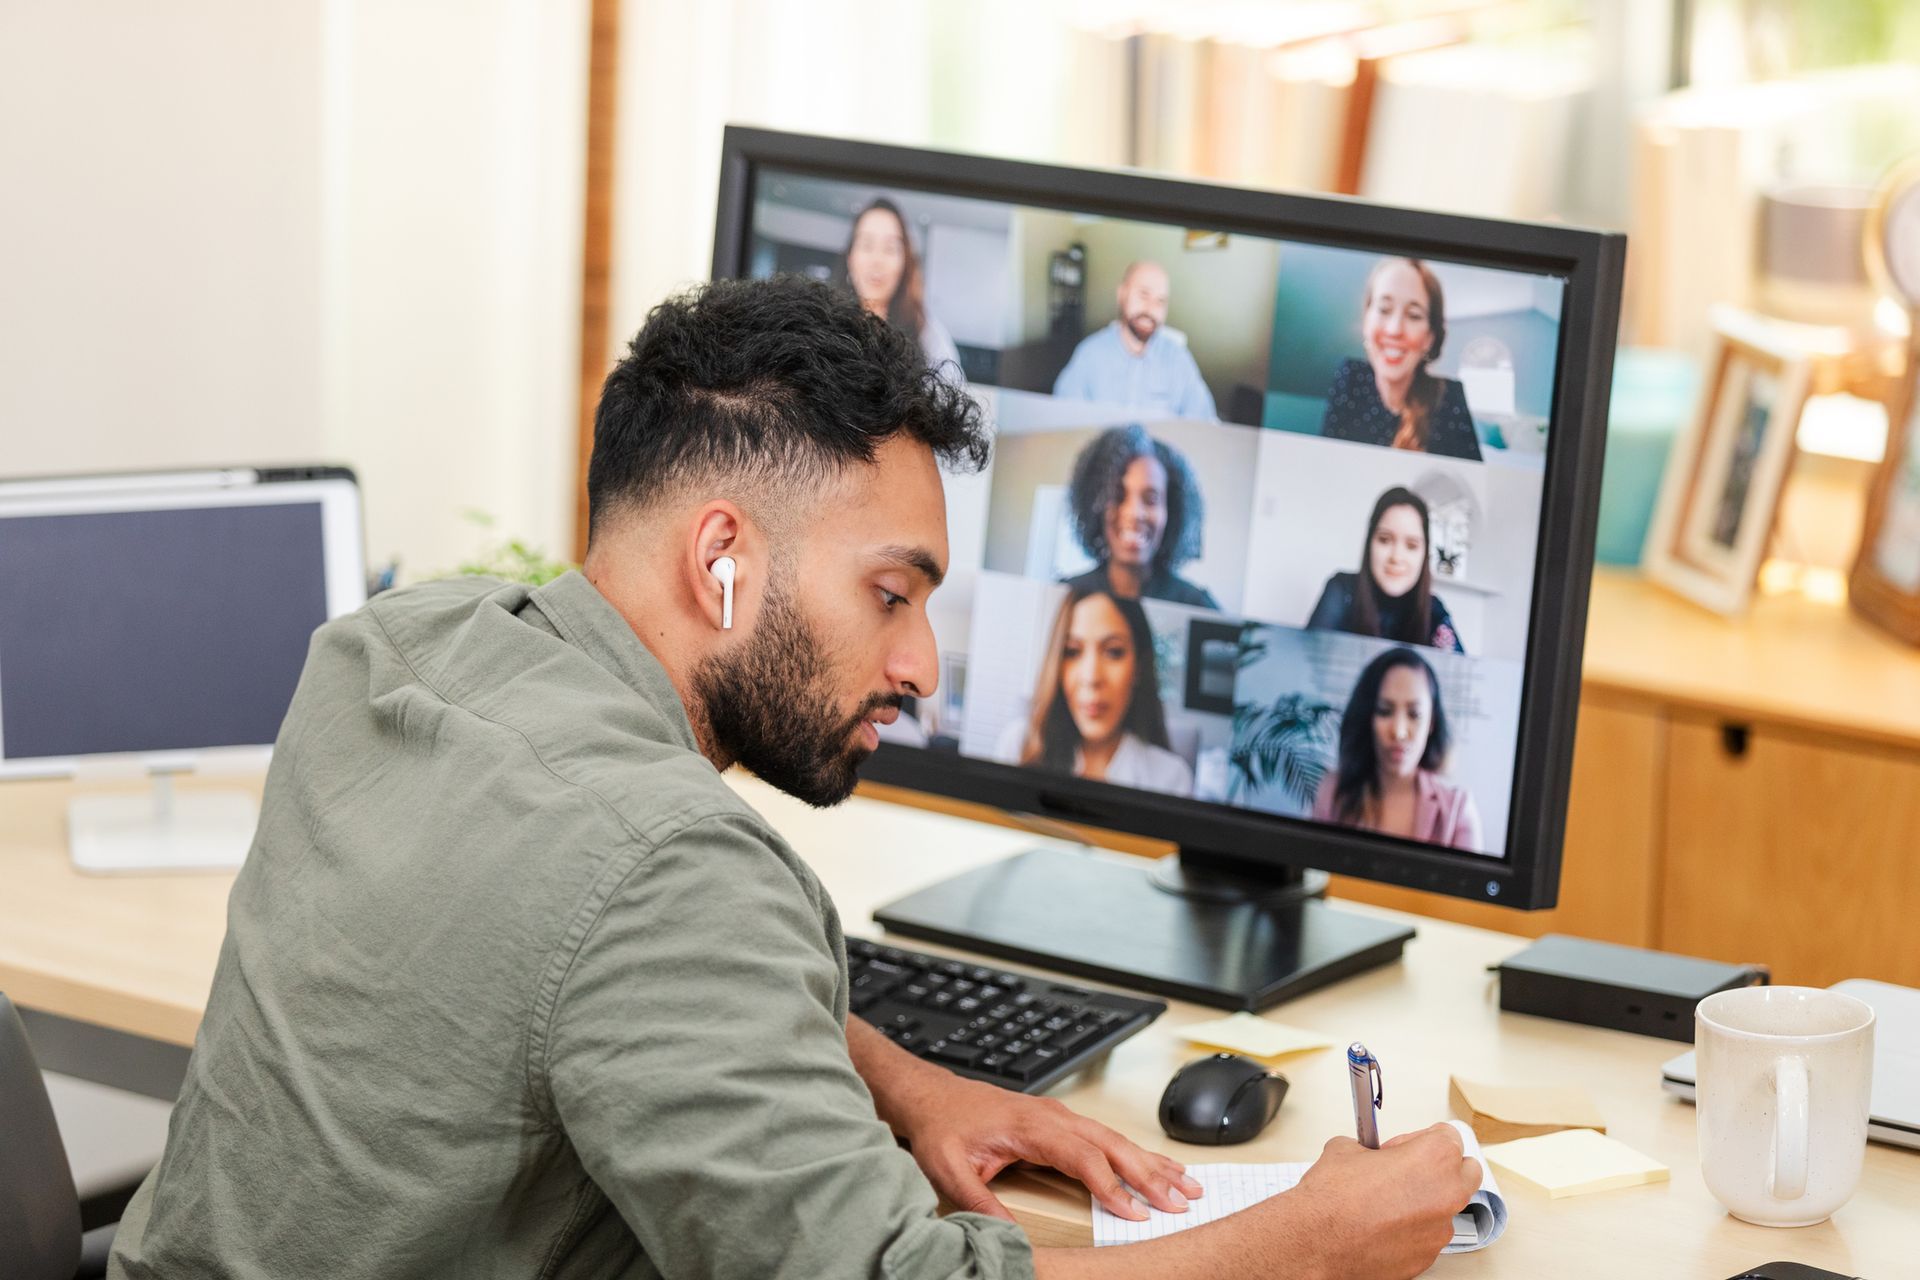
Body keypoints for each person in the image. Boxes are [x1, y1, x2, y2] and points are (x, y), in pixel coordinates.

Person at [109, 276, 1479, 1280]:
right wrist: (1307, 1240)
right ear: (724, 559)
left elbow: (575, 968)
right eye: (891, 594)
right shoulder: (670, 867)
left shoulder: (391, 654)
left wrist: (906, 1081)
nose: (922, 664)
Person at [994, 585, 1193, 795]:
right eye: (1072, 651)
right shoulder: (1017, 746)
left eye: (1114, 652)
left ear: (1138, 668)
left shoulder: (1171, 779)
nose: (1091, 677)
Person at [1313, 647, 1483, 851]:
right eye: (1385, 711)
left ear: (1432, 723)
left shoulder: (1458, 811)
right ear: (1368, 717)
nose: (1399, 732)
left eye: (1414, 714)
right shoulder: (1332, 793)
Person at [1320, 257, 1482, 461]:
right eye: (1384, 309)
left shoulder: (1450, 398)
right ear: (1366, 320)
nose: (1395, 329)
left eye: (1414, 315)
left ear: (1429, 338)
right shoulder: (1350, 376)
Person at [1062, 423, 1219, 608]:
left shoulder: (1197, 605)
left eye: (1150, 499)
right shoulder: (1067, 594)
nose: (1134, 513)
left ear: (1171, 511)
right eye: (1118, 496)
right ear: (1096, 506)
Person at [1052, 260, 1218, 420]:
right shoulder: (1090, 354)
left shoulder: (1178, 360)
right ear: (1122, 294)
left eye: (1160, 301)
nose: (1151, 309)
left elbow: (1204, 423)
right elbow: (1063, 420)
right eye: (1143, 295)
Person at [1306, 486, 1465, 652]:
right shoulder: (1341, 589)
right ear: (1370, 543)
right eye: (1384, 540)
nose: (1396, 557)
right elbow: (1307, 658)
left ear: (1425, 554)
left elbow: (1458, 671)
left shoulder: (1434, 610)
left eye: (1411, 546)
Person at [845, 195, 965, 384]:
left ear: (904, 262)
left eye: (890, 248)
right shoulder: (826, 324)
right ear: (850, 257)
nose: (877, 259)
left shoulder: (928, 335)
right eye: (867, 245)